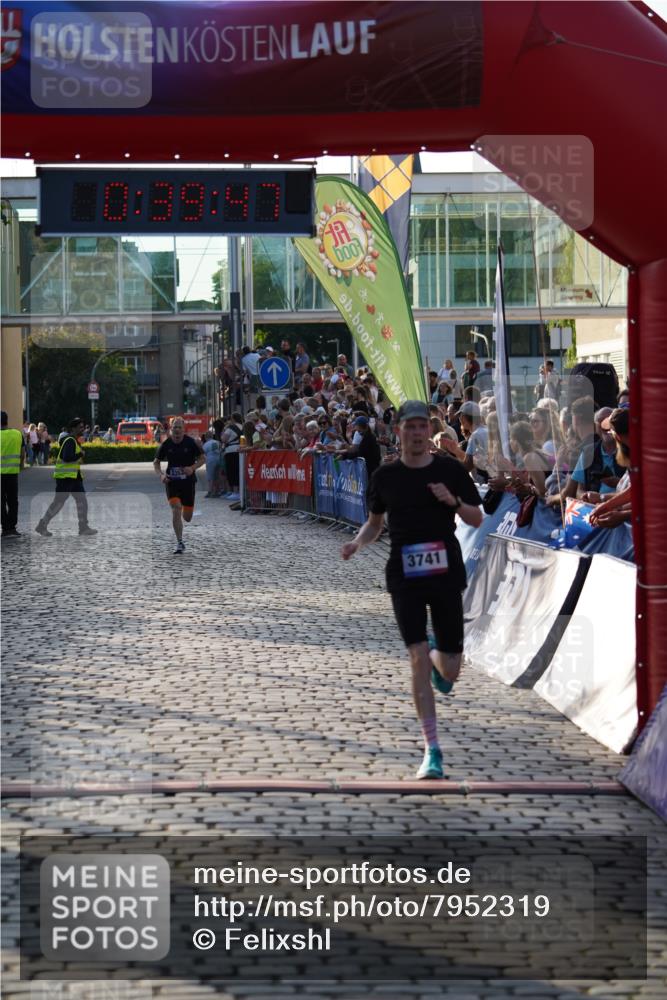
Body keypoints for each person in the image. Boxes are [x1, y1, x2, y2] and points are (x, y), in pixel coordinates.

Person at [341, 400, 482, 781]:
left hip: (445, 572)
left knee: (450, 670)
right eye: (410, 426)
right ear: (399, 431)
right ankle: (431, 749)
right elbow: (374, 525)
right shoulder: (385, 478)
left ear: (428, 430)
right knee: (416, 655)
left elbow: (476, 516)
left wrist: (451, 501)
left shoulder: (449, 470)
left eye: (423, 426)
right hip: (404, 573)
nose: (417, 433)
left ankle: (442, 656)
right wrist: (358, 542)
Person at [35, 417, 97, 537]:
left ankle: (83, 527)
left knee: (82, 501)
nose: (83, 429)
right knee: (58, 503)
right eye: (80, 427)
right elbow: (67, 457)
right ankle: (42, 525)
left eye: (83, 427)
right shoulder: (69, 440)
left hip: (74, 477)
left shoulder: (73, 440)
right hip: (65, 478)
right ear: (73, 428)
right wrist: (80, 454)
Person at [153, 416, 205, 554]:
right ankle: (180, 541)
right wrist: (161, 475)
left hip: (188, 482)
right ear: (171, 429)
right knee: (176, 508)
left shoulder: (191, 443)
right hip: (172, 482)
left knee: (187, 517)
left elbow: (202, 459)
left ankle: (183, 510)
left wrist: (192, 468)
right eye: (174, 427)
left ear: (184, 429)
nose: (177, 430)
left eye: (179, 427)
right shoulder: (166, 444)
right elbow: (156, 462)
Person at [1, 410, 26, 537]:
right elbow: (22, 454)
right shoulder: (17, 434)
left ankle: (5, 528)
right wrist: (19, 467)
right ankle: (12, 527)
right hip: (12, 474)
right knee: (13, 501)